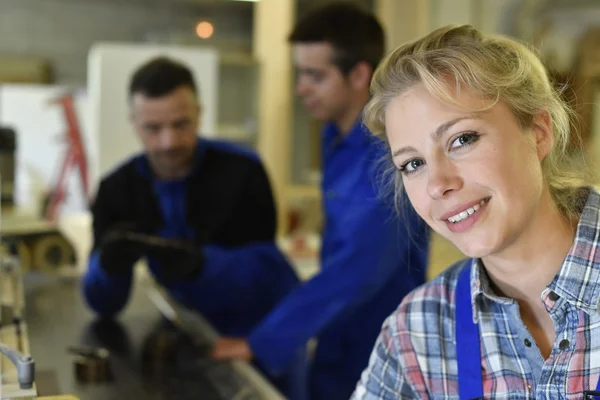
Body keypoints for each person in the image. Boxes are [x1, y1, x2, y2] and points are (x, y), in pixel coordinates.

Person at [351, 24, 600, 399]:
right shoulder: (417, 333)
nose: (438, 184)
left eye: (462, 140)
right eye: (413, 164)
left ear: (538, 131)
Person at [210, 3, 430, 400]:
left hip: (381, 351)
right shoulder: (336, 139)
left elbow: (357, 268)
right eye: (301, 74)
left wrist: (262, 342)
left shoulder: (387, 154)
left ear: (359, 74)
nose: (301, 88)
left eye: (315, 76)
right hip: (338, 339)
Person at [81, 56, 303, 398]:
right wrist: (107, 268)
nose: (169, 142)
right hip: (189, 328)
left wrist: (204, 266)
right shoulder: (116, 189)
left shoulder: (243, 171)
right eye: (153, 129)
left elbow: (268, 269)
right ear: (134, 123)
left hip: (260, 331)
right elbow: (104, 306)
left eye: (181, 124)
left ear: (200, 113)